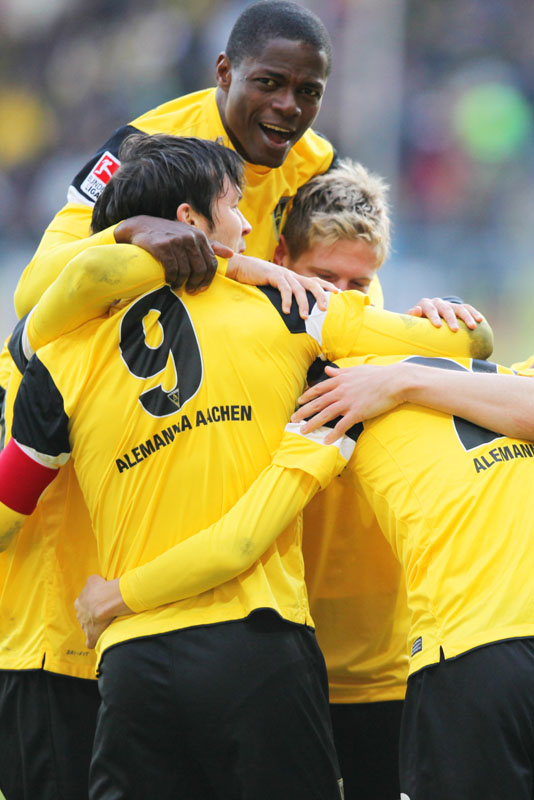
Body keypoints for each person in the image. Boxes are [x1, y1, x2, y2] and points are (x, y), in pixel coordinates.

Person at [0, 133, 491, 799]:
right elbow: (470, 340)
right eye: (234, 206)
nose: (248, 225)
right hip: (259, 645)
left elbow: (8, 505)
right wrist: (443, 317)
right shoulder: (288, 308)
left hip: (130, 661)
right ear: (189, 222)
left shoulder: (59, 355)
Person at [297, 350, 534, 800]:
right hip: (446, 655)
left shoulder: (378, 376)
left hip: (464, 653)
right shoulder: (336, 382)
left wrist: (402, 380)